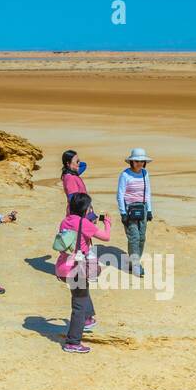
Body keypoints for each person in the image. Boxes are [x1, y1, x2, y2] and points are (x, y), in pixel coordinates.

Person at [55, 192, 111, 354]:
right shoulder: (85, 224)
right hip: (78, 268)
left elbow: (75, 233)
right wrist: (107, 223)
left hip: (64, 266)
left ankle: (87, 319)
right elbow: (106, 237)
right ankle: (72, 342)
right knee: (78, 306)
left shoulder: (65, 221)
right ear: (85, 209)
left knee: (80, 295)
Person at [116, 148, 154, 276]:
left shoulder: (145, 173)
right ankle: (137, 266)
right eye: (137, 161)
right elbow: (120, 195)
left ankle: (134, 262)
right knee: (134, 238)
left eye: (142, 161)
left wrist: (149, 210)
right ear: (132, 162)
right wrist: (123, 213)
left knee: (142, 238)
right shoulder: (125, 175)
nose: (140, 163)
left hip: (142, 208)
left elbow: (147, 192)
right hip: (129, 209)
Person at [60, 150, 95, 220]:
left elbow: (84, 165)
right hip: (80, 214)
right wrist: (89, 216)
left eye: (79, 161)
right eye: (77, 161)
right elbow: (74, 200)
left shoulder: (72, 173)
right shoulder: (70, 178)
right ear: (68, 163)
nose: (79, 163)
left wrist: (74, 162)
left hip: (83, 212)